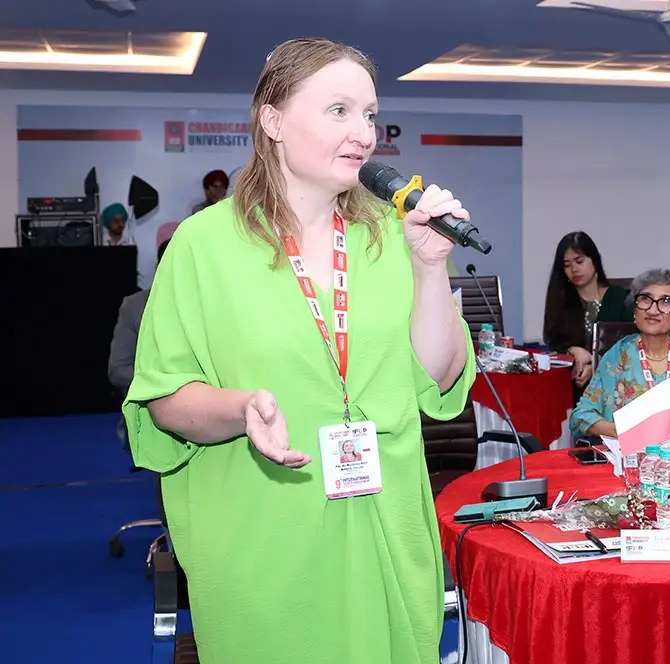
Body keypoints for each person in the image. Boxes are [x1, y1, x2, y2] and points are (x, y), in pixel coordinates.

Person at [123, 38, 476, 664]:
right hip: (264, 536)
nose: (363, 133)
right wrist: (240, 409)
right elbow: (166, 400)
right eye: (339, 110)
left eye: (370, 115)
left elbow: (439, 377)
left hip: (387, 529)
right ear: (273, 120)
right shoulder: (203, 245)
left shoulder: (396, 235)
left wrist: (430, 266)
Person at [570, 268, 670, 438]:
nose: (652, 310)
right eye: (645, 299)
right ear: (635, 310)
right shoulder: (617, 356)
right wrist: (622, 432)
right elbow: (580, 417)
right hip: (626, 451)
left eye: (665, 301)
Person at [542, 231, 631, 402]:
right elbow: (555, 343)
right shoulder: (562, 301)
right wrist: (572, 350)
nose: (574, 269)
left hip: (617, 386)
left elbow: (629, 347)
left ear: (594, 260)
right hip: (574, 387)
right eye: (567, 265)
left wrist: (595, 366)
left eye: (579, 261)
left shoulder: (620, 298)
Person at [108, 239, 171, 437]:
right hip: (151, 417)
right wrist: (168, 384)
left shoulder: (210, 306)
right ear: (158, 268)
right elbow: (118, 371)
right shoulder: (134, 307)